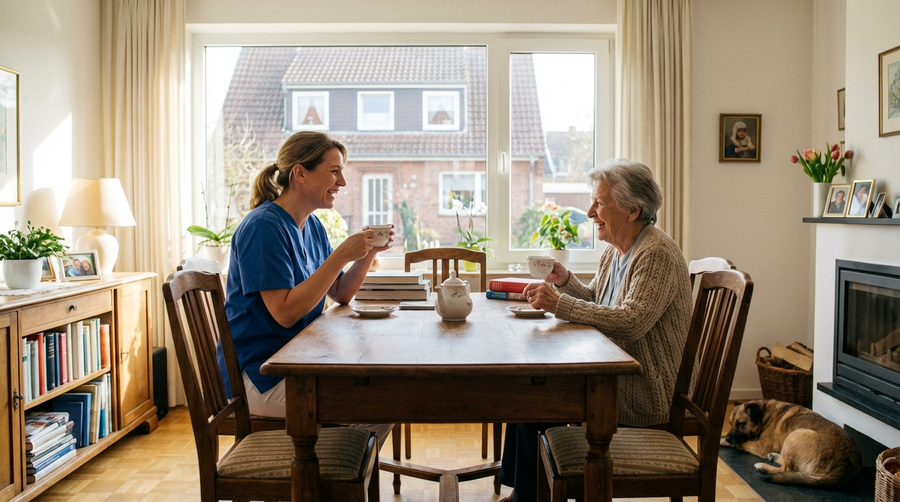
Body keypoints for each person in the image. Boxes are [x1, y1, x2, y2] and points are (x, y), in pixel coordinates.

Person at [498, 158, 693, 502]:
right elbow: (600, 303)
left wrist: (559, 303)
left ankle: (527, 497)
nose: (589, 212)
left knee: (531, 399)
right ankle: (526, 494)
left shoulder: (656, 252)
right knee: (524, 392)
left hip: (645, 389)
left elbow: (632, 321)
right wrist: (566, 282)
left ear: (632, 210)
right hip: (616, 375)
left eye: (599, 203)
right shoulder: (617, 250)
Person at [218, 130, 394, 447]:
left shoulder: (311, 224)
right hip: (258, 375)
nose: (342, 182)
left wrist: (367, 254)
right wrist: (340, 254)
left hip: (296, 361)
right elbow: (284, 313)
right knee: (378, 401)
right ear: (300, 173)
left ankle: (337, 472)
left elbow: (339, 292)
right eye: (334, 171)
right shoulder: (263, 227)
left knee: (384, 392)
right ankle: (329, 476)